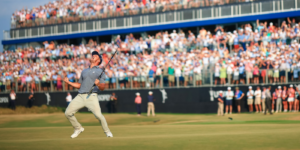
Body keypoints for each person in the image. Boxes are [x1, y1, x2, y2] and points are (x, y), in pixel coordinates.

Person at [63, 51, 113, 138]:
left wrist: (98, 84)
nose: (93, 56)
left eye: (95, 56)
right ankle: (78, 128)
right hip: (80, 96)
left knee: (98, 115)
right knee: (67, 113)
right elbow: (79, 85)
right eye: (92, 55)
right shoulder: (84, 71)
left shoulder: (100, 71)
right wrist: (68, 82)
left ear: (98, 60)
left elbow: (103, 87)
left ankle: (107, 131)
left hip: (92, 96)